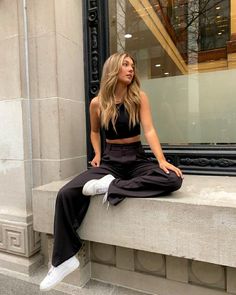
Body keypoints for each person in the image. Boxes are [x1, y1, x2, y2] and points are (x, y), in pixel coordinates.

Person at [40, 52, 183, 291]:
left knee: (172, 179)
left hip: (137, 159)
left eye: (133, 65)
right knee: (66, 193)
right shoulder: (97, 103)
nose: (131, 69)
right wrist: (96, 153)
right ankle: (62, 260)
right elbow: (95, 132)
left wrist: (161, 159)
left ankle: (109, 187)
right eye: (125, 65)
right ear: (113, 69)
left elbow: (149, 130)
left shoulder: (139, 97)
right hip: (110, 161)